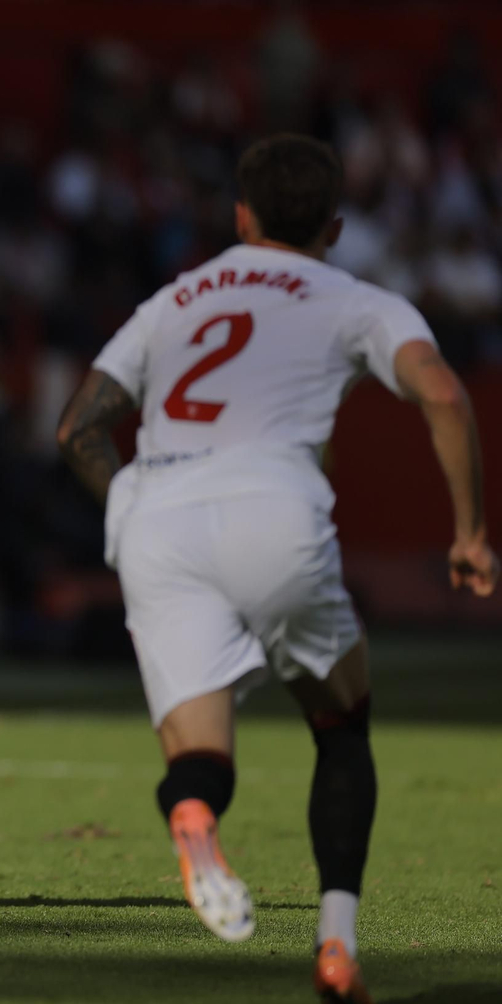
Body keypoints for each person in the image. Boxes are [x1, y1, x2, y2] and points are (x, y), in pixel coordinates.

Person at [55, 134, 497, 1003]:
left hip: (160, 513)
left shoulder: (175, 298)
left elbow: (77, 429)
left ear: (240, 216)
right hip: (271, 505)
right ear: (334, 226)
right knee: (341, 725)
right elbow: (443, 393)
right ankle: (335, 947)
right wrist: (471, 531)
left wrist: (132, 510)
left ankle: (193, 815)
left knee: (200, 752)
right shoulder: (356, 297)